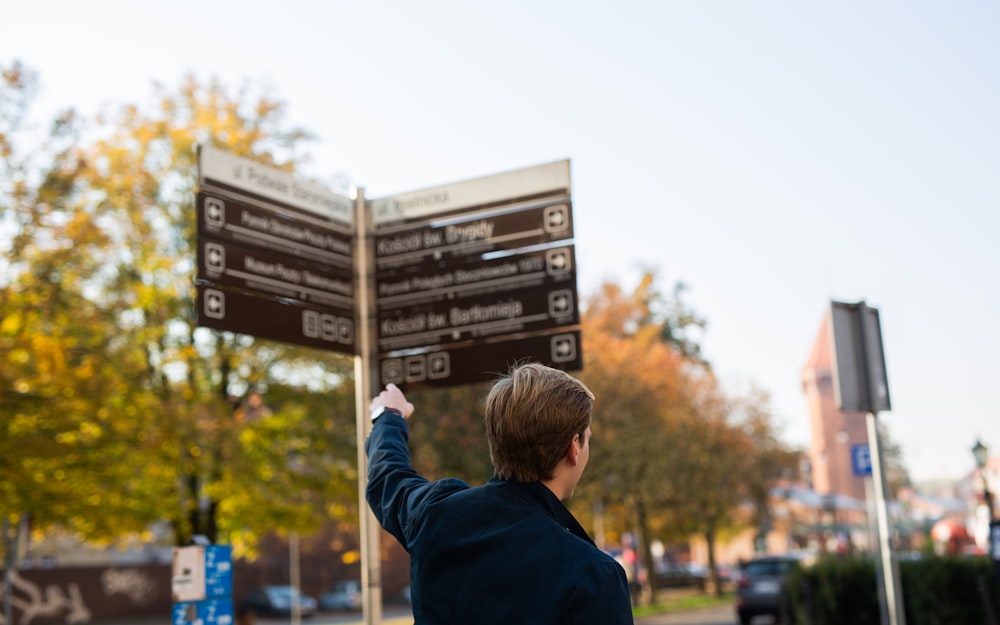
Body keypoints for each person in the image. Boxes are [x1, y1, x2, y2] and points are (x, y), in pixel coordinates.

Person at [366, 362, 634, 625]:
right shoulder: (592, 575)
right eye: (588, 436)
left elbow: (387, 475)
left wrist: (388, 415)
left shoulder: (435, 515)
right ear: (574, 447)